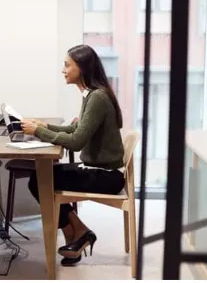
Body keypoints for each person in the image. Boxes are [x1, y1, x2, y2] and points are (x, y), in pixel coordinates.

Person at [21, 44, 125, 266]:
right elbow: (74, 130)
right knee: (41, 178)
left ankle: (77, 233)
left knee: (39, 180)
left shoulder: (96, 97)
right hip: (102, 171)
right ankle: (76, 236)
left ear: (83, 68)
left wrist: (38, 131)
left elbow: (76, 142)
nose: (63, 70)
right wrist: (44, 126)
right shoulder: (93, 94)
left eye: (67, 65)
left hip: (105, 176)